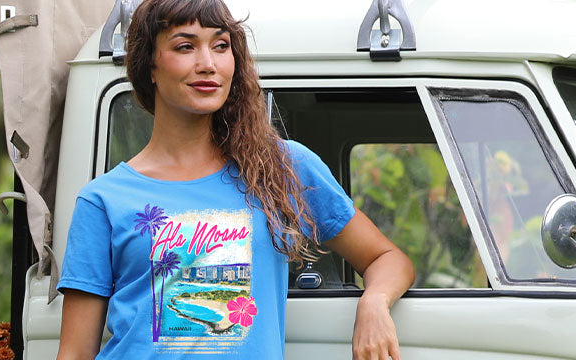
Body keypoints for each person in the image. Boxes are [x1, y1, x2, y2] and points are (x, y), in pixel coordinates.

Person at [54, 0, 416, 359]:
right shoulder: (103, 200)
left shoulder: (281, 167)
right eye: (185, 46)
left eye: (221, 46)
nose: (208, 64)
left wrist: (374, 303)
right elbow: (74, 352)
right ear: (150, 65)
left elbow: (387, 258)